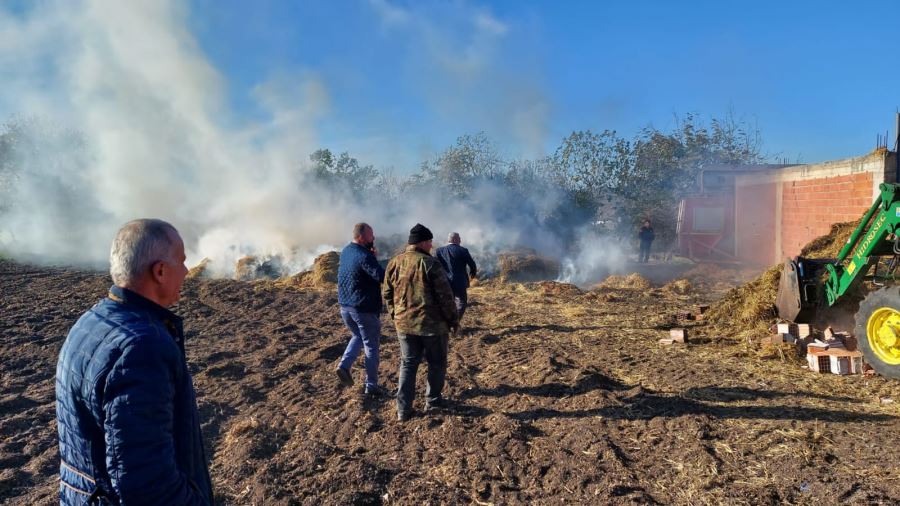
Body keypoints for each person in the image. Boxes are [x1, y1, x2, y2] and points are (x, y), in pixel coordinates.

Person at [55, 219, 213, 505]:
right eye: (182, 261)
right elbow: (147, 484)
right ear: (160, 271)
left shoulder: (90, 321)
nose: (188, 271)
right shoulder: (142, 349)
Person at [383, 223, 459, 422]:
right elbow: (445, 297)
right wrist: (453, 320)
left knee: (408, 364)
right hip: (431, 327)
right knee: (436, 363)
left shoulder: (394, 262)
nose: (432, 245)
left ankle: (403, 410)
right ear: (423, 242)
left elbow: (387, 293)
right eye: (430, 242)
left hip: (404, 326)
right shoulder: (430, 264)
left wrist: (395, 315)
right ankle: (432, 403)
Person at [335, 222, 392, 397]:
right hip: (363, 308)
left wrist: (370, 255)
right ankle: (372, 386)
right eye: (370, 235)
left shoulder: (346, 250)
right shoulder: (364, 255)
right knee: (371, 346)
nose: (373, 238)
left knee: (357, 336)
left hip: (345, 307)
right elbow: (381, 276)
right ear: (361, 236)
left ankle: (344, 366)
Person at [434, 232, 477, 324]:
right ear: (454, 240)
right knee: (461, 302)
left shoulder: (439, 251)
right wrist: (473, 273)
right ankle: (454, 323)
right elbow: (472, 264)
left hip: (445, 282)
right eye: (459, 238)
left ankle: (445, 322)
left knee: (448, 303)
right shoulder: (463, 250)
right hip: (459, 282)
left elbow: (434, 266)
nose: (460, 240)